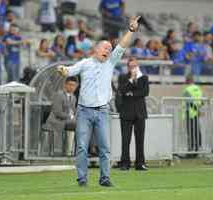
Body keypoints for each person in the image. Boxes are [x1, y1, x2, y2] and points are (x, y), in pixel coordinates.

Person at [57, 16, 141, 187]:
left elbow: (123, 45)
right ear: (96, 49)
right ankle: (82, 179)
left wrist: (131, 30)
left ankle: (105, 179)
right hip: (84, 111)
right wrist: (63, 70)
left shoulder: (110, 62)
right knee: (81, 147)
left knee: (104, 148)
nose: (108, 50)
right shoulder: (85, 63)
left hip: (102, 111)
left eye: (110, 49)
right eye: (105, 47)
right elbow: (69, 70)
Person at [118, 57, 149, 171]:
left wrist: (131, 93)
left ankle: (140, 163)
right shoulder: (123, 77)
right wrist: (131, 80)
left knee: (140, 139)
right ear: (128, 67)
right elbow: (122, 90)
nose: (133, 68)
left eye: (135, 66)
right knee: (125, 139)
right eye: (131, 66)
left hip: (140, 113)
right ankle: (125, 163)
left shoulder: (144, 78)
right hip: (126, 113)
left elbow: (145, 92)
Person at [43, 76, 78, 156]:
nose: (72, 87)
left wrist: (76, 116)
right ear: (65, 85)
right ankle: (71, 151)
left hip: (67, 121)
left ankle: (72, 151)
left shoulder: (73, 97)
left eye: (74, 85)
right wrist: (70, 117)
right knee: (76, 125)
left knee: (83, 124)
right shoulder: (59, 95)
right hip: (55, 121)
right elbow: (57, 112)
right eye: (70, 85)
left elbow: (73, 111)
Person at [183, 74, 203, 156]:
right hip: (196, 114)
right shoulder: (198, 89)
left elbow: (189, 102)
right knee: (197, 131)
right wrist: (198, 110)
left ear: (187, 81)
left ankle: (191, 151)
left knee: (190, 133)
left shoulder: (187, 89)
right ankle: (198, 149)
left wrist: (196, 110)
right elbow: (202, 102)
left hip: (190, 113)